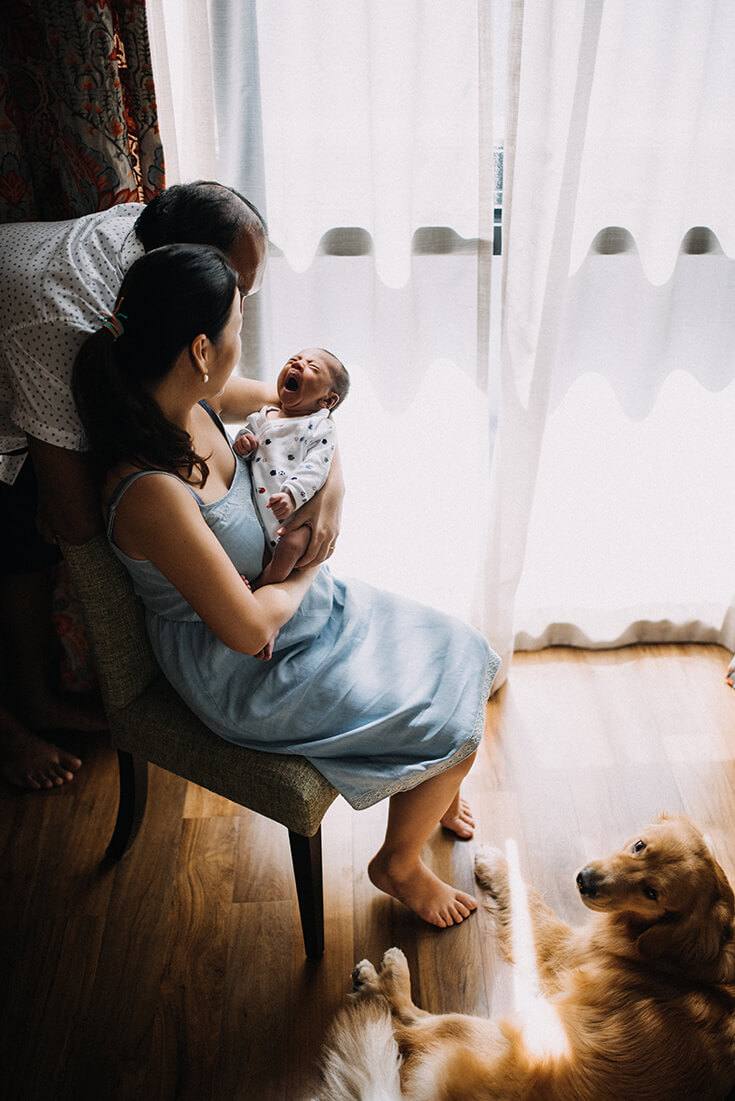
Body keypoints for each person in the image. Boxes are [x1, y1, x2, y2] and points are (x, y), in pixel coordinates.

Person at [73, 244, 501, 928]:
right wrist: (308, 566)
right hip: (244, 664)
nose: (249, 348)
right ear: (201, 350)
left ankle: (432, 783)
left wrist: (330, 492)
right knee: (450, 722)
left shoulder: (198, 398)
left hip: (295, 611)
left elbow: (313, 417)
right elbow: (244, 630)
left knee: (464, 648)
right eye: (239, 329)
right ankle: (396, 862)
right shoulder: (151, 491)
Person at [0, 181, 343, 789]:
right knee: (29, 540)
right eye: (236, 295)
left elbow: (227, 394)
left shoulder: (150, 277)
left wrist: (315, 439)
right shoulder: (63, 320)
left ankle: (34, 696)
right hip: (22, 357)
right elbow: (78, 524)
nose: (242, 306)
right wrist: (192, 558)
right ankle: (15, 719)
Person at [233, 347, 349, 587]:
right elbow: (245, 444)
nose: (297, 365)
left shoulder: (318, 427)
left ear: (327, 400)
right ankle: (259, 577)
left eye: (311, 367)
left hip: (296, 515)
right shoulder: (263, 416)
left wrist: (292, 496)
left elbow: (316, 467)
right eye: (293, 360)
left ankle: (261, 585)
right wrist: (243, 442)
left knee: (293, 545)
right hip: (261, 513)